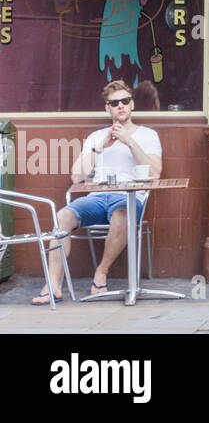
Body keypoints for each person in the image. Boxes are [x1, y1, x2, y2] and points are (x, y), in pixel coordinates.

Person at [33, 81, 163, 305]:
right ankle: (53, 284)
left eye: (125, 101)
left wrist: (129, 142)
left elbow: (155, 173)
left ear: (132, 105)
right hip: (96, 198)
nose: (120, 106)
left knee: (122, 216)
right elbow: (76, 176)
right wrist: (100, 146)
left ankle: (101, 272)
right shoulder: (96, 137)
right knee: (62, 217)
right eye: (114, 103)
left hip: (128, 198)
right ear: (107, 109)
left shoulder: (148, 135)